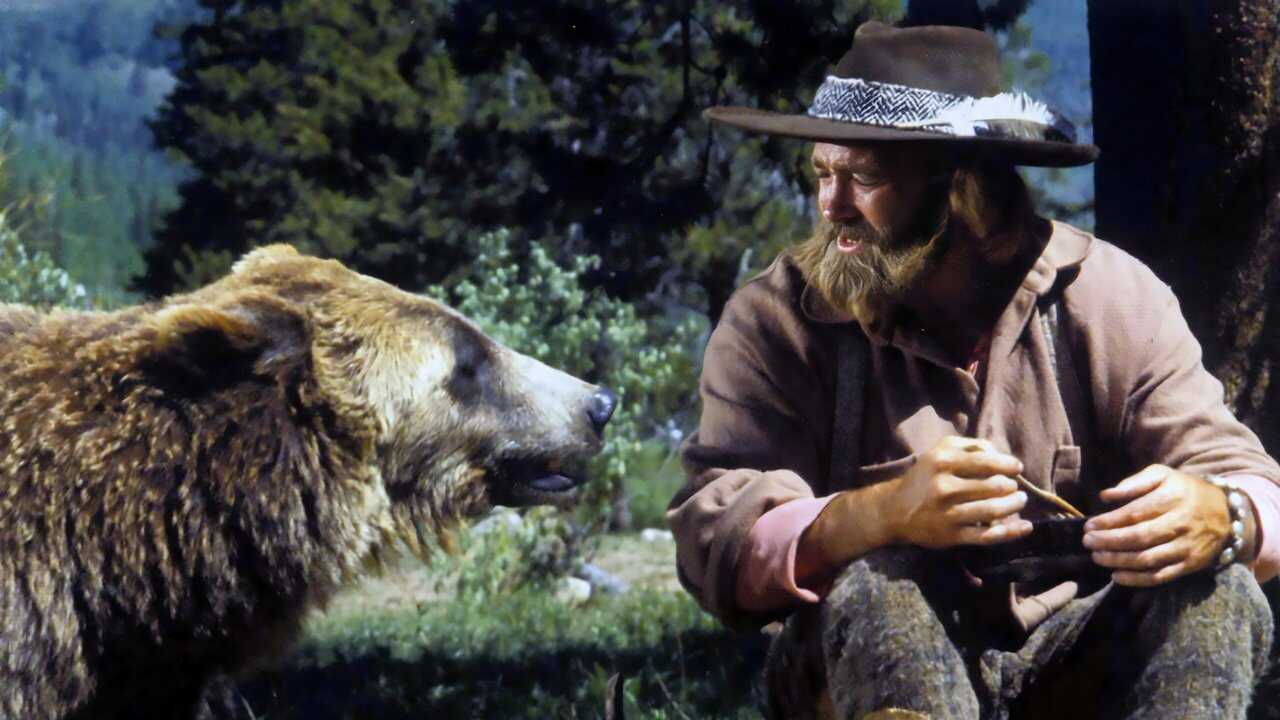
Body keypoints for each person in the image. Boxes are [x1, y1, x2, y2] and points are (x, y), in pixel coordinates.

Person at [667, 21, 1278, 720]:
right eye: (822, 174)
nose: (831, 205)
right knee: (880, 583)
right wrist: (879, 515)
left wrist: (1226, 515)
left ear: (962, 189)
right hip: (850, 670)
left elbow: (1252, 483)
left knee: (1214, 590)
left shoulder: (1111, 297)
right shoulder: (779, 318)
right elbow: (713, 538)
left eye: (863, 177)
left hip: (1073, 660)